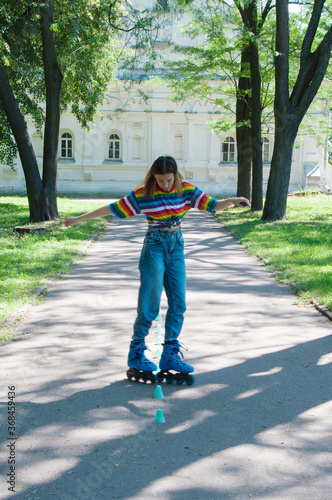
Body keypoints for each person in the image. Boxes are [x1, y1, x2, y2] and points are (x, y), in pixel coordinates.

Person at [64, 155, 251, 383]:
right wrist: (78, 218)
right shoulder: (144, 194)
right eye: (161, 180)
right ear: (154, 177)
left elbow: (213, 205)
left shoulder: (186, 190)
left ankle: (170, 355)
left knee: (179, 303)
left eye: (169, 179)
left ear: (176, 175)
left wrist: (232, 200)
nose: (165, 184)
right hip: (154, 247)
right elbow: (113, 209)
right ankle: (136, 354)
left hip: (177, 247)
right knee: (149, 304)